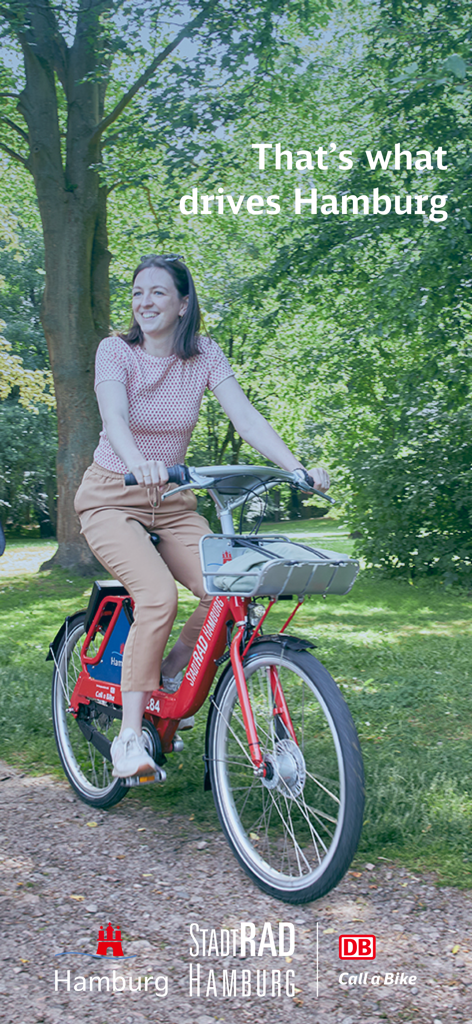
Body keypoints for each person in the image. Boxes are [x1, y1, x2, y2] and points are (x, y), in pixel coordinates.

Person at [74, 254, 330, 780]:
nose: (145, 302)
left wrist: (295, 468)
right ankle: (127, 738)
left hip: (173, 502)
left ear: (183, 303)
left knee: (231, 584)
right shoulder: (115, 351)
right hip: (111, 495)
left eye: (158, 292)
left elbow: (246, 417)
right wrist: (138, 461)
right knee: (157, 596)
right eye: (138, 292)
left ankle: (172, 673)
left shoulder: (204, 354)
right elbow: (114, 417)